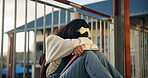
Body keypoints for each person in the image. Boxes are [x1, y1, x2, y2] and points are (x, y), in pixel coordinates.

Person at [45, 19, 123, 78]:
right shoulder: (53, 39)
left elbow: (94, 47)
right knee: (87, 54)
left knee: (96, 53)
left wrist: (80, 47)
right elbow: (72, 44)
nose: (82, 41)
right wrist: (80, 46)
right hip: (56, 76)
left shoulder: (76, 44)